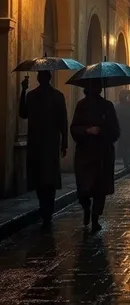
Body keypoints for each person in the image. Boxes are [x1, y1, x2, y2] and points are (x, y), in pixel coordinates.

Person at [19, 71, 68, 230]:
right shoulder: (46, 96)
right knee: (45, 179)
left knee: (44, 178)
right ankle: (46, 211)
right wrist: (24, 91)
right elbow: (63, 122)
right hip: (45, 142)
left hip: (44, 142)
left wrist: (23, 91)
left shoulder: (36, 95)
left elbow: (22, 113)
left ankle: (46, 211)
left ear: (41, 78)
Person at [70, 79, 120, 232]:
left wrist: (103, 132)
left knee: (100, 188)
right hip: (85, 153)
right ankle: (86, 207)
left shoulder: (107, 106)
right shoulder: (81, 105)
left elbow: (115, 132)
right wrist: (87, 130)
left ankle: (95, 218)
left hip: (103, 154)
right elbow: (74, 128)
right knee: (83, 187)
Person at [115, 89, 130, 168]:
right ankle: (127, 161)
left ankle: (126, 162)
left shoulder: (117, 107)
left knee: (124, 146)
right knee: (129, 146)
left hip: (122, 130)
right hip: (129, 131)